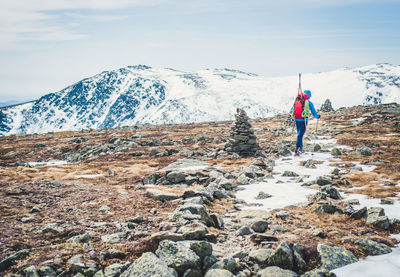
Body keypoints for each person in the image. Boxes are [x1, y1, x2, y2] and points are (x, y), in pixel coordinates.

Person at [291, 90, 320, 156]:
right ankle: (297, 149)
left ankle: (301, 148)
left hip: (297, 120)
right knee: (300, 135)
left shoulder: (297, 100)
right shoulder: (308, 102)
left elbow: (292, 110)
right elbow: (314, 113)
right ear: (309, 95)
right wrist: (317, 116)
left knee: (299, 134)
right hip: (303, 120)